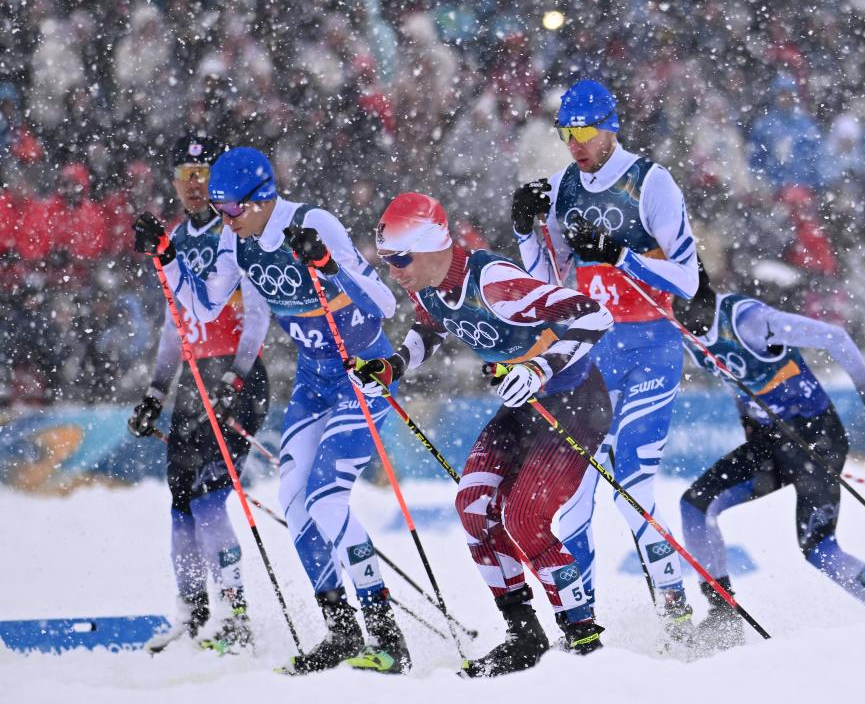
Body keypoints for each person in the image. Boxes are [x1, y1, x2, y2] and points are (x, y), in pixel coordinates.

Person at [133, 147, 409, 674]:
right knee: (295, 501)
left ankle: (387, 636)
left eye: (232, 208)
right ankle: (342, 631)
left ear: (261, 199)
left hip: (361, 374)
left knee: (326, 499)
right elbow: (203, 306)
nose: (224, 218)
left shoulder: (314, 222)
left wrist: (328, 267)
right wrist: (166, 257)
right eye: (219, 208)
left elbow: (384, 304)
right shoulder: (235, 239)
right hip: (314, 378)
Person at [347, 192, 614, 677]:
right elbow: (430, 327)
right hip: (524, 407)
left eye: (400, 259)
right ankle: (524, 635)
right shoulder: (425, 283)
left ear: (430, 245)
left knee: (526, 518)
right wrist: (393, 365)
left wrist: (538, 367)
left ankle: (584, 637)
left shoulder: (494, 283)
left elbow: (594, 314)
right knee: (473, 507)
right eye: (387, 260)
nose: (394, 271)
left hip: (574, 404)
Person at [511, 79, 700, 642]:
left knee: (633, 482)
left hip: (652, 348)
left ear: (611, 127)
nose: (576, 144)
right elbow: (546, 285)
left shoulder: (651, 181)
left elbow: (688, 278)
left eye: (586, 132)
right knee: (573, 493)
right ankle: (582, 623)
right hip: (596, 350)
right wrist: (525, 231)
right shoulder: (563, 187)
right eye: (566, 134)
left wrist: (621, 255)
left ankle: (677, 614)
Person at [675, 264, 865, 653]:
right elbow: (732, 378)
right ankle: (723, 615)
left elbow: (834, 337)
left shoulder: (750, 320)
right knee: (694, 506)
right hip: (771, 443)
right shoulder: (684, 332)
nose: (671, 306)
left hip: (816, 439)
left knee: (819, 549)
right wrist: (748, 421)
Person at [128, 135, 271, 655]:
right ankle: (193, 616)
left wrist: (236, 377)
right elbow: (175, 322)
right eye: (184, 173)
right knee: (181, 504)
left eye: (203, 172)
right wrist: (155, 391)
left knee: (210, 496)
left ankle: (235, 618)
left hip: (237, 375)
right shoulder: (171, 239)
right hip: (193, 380)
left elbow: (257, 314)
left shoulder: (235, 230)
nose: (193, 183)